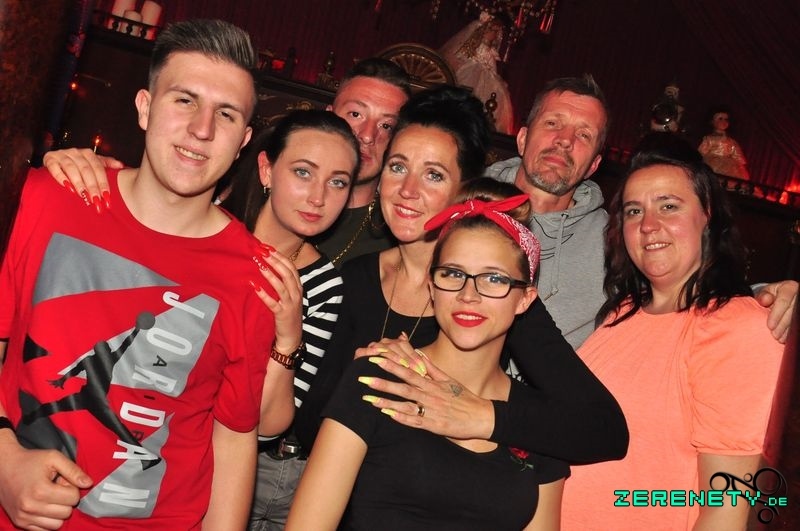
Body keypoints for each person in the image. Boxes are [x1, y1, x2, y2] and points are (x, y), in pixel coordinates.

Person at [0, 19, 289, 530]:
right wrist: (3, 460)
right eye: (184, 100)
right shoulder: (47, 199)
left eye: (225, 114)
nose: (202, 129)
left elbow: (232, 435)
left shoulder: (255, 276)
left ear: (243, 140)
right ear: (145, 107)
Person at [295, 86, 628, 464]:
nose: (407, 190)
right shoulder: (359, 276)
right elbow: (309, 426)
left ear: (463, 191)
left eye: (433, 175)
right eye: (398, 167)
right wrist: (360, 382)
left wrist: (481, 415)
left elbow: (605, 429)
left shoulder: (492, 291)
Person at [287, 188, 567, 530]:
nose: (469, 294)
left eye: (494, 278)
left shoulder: (538, 418)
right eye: (453, 274)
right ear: (432, 288)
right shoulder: (377, 379)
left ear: (525, 299)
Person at [561, 137, 783, 530]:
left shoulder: (736, 328)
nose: (648, 225)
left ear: (707, 215)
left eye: (668, 206)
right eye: (634, 211)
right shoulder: (622, 312)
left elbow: (726, 508)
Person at [43, 57, 412, 267]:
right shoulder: (239, 182)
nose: (367, 135)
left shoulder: (393, 234)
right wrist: (92, 168)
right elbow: (164, 198)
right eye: (355, 115)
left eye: (387, 125)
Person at [219, 109, 359, 530]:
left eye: (337, 182)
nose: (318, 197)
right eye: (303, 172)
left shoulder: (323, 284)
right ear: (267, 169)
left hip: (229, 468)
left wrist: (288, 337)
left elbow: (266, 427)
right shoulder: (208, 229)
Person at [439, 11, 515, 134]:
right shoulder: (476, 46)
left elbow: (492, 69)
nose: (495, 34)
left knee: (497, 94)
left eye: (497, 31)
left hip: (487, 76)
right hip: (473, 70)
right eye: (492, 30)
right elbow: (461, 57)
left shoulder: (491, 51)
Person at [698, 106, 750, 180]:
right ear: (712, 121)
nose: (723, 121)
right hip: (712, 163)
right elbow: (701, 153)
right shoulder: (709, 139)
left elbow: (737, 155)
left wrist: (740, 164)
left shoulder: (731, 141)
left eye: (726, 119)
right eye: (720, 119)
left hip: (730, 167)